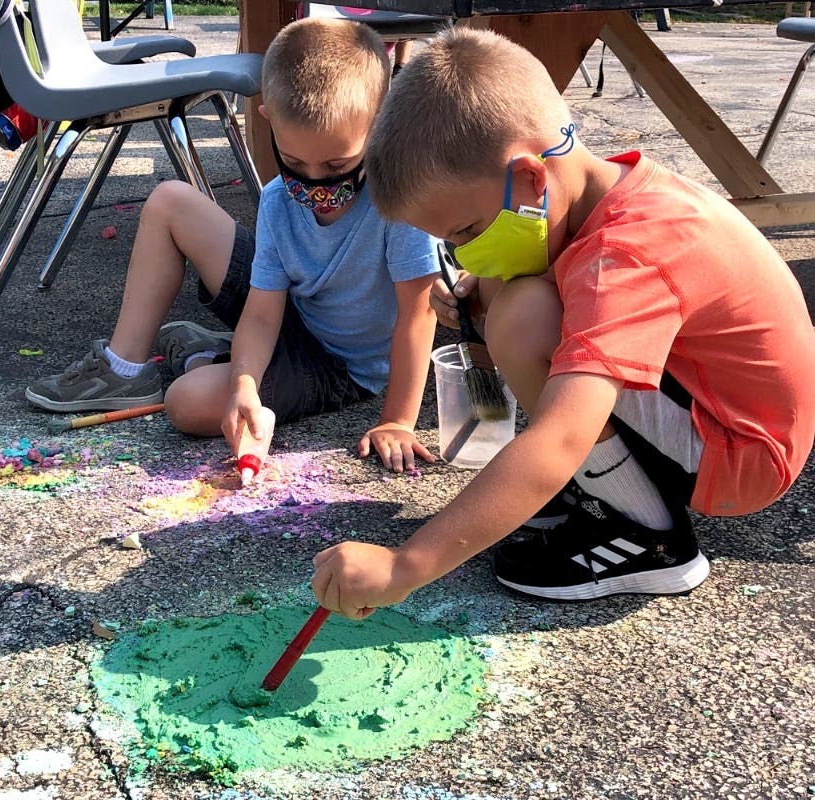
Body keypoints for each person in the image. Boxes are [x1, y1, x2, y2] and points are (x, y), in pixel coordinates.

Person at [311, 26, 815, 615]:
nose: (466, 253)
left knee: (521, 319)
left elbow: (561, 436)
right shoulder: (610, 193)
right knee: (509, 297)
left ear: (530, 177)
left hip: (740, 456)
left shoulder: (625, 256)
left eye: (467, 231)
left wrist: (406, 566)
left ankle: (650, 536)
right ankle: (605, 487)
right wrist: (484, 291)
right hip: (724, 412)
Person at [25, 17, 441, 472]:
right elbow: (262, 313)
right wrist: (245, 384)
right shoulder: (280, 199)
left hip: (337, 367)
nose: (314, 184)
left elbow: (417, 314)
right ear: (268, 121)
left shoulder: (397, 200)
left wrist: (398, 420)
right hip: (288, 316)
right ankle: (125, 368)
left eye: (337, 165)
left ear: (379, 125)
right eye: (294, 161)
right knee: (170, 201)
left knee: (187, 403)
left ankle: (212, 355)